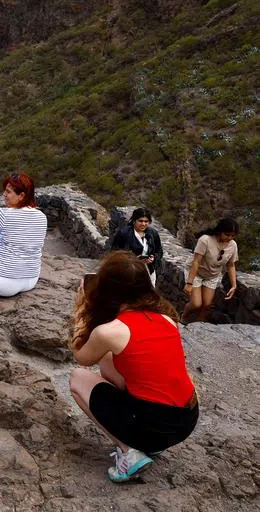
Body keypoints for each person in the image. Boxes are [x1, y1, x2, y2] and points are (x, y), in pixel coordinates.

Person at [68, 250, 199, 483]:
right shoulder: (166, 318)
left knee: (78, 379)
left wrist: (81, 312)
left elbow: (81, 356)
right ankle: (151, 443)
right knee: (108, 361)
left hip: (154, 425)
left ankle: (129, 453)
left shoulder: (109, 332)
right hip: (186, 419)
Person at [183, 217, 240, 323]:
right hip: (197, 273)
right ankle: (184, 317)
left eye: (233, 235)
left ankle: (199, 323)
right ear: (220, 231)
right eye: (227, 235)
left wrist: (234, 285)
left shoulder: (233, 245)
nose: (230, 238)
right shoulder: (206, 240)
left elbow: (231, 265)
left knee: (207, 304)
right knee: (196, 303)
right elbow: (196, 262)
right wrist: (189, 283)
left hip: (212, 275)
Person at [109, 207, 164, 285]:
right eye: (140, 221)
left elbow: (159, 250)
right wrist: (134, 261)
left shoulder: (153, 233)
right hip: (128, 274)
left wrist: (153, 258)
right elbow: (114, 253)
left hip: (148, 272)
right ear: (134, 220)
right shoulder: (124, 234)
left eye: (146, 221)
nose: (143, 224)